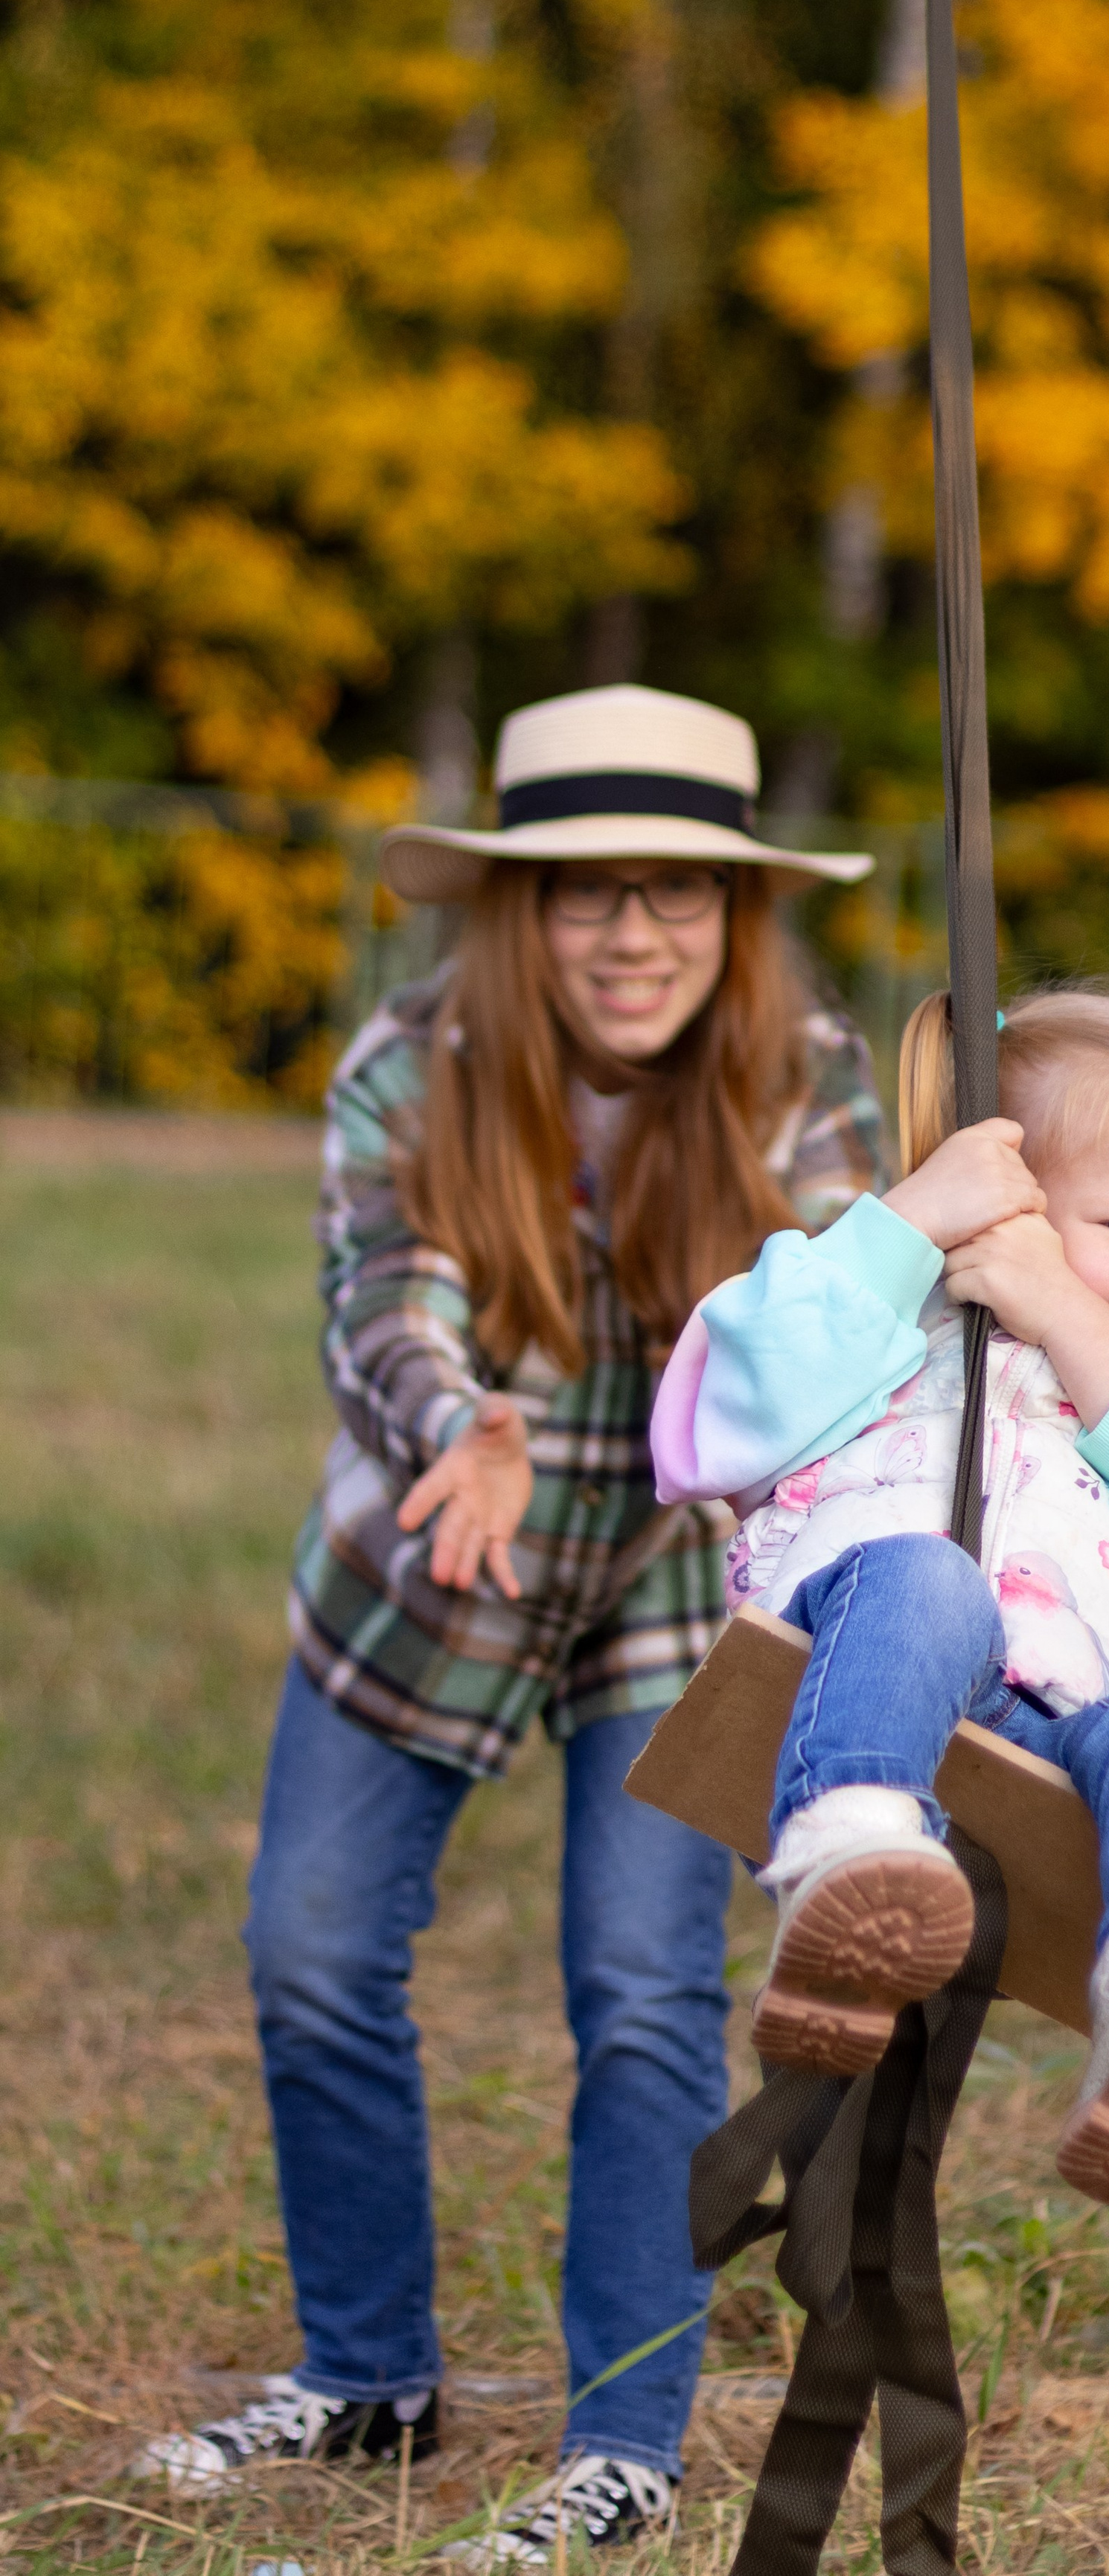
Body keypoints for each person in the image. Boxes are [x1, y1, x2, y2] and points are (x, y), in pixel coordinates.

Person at [135, 685, 883, 2566]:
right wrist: (446, 1410)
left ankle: (625, 2434)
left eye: (676, 896)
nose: (631, 936)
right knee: (309, 1948)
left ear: (736, 915)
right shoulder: (408, 1061)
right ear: (511, 911)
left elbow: (861, 1293)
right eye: (579, 894)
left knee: (638, 1993)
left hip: (660, 1595)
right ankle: (369, 2378)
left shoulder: (806, 1076)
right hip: (430, 1577)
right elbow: (379, 1284)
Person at [649, 915, 1109, 2214]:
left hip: (1046, 1753)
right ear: (1002, 1209)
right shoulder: (886, 1332)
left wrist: (1074, 1315)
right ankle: (848, 1871)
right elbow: (720, 1405)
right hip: (851, 1690)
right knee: (930, 1580)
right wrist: (907, 1227)